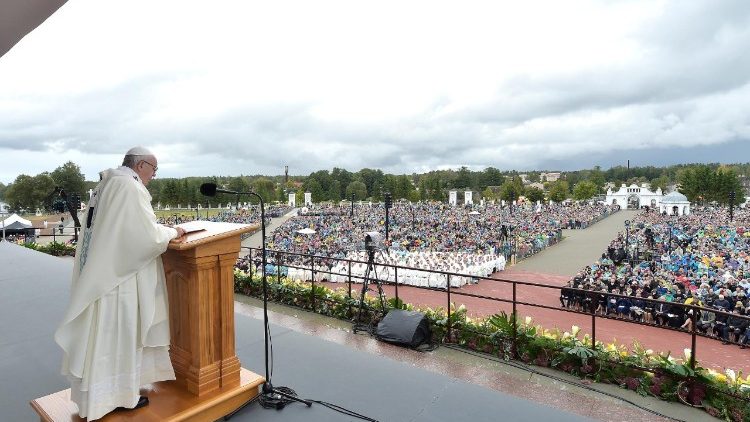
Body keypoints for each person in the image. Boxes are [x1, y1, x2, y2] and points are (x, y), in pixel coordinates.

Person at [54, 147, 187, 420]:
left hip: (106, 274)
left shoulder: (108, 183)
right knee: (120, 334)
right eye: (154, 169)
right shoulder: (129, 187)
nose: (154, 175)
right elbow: (146, 236)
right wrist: (175, 231)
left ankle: (102, 396)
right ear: (141, 165)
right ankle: (118, 397)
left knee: (104, 338)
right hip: (119, 281)